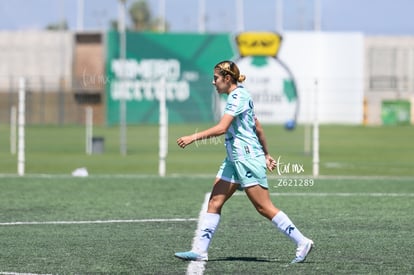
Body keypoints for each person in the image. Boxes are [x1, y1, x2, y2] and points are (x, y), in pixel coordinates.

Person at [174, 60, 313, 264]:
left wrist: (192, 137)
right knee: (215, 201)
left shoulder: (237, 97)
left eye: (216, 78)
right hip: (234, 159)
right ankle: (200, 251)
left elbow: (222, 128)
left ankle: (302, 242)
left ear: (227, 78)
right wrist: (266, 154)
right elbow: (258, 126)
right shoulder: (240, 95)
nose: (213, 83)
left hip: (246, 159)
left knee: (264, 207)